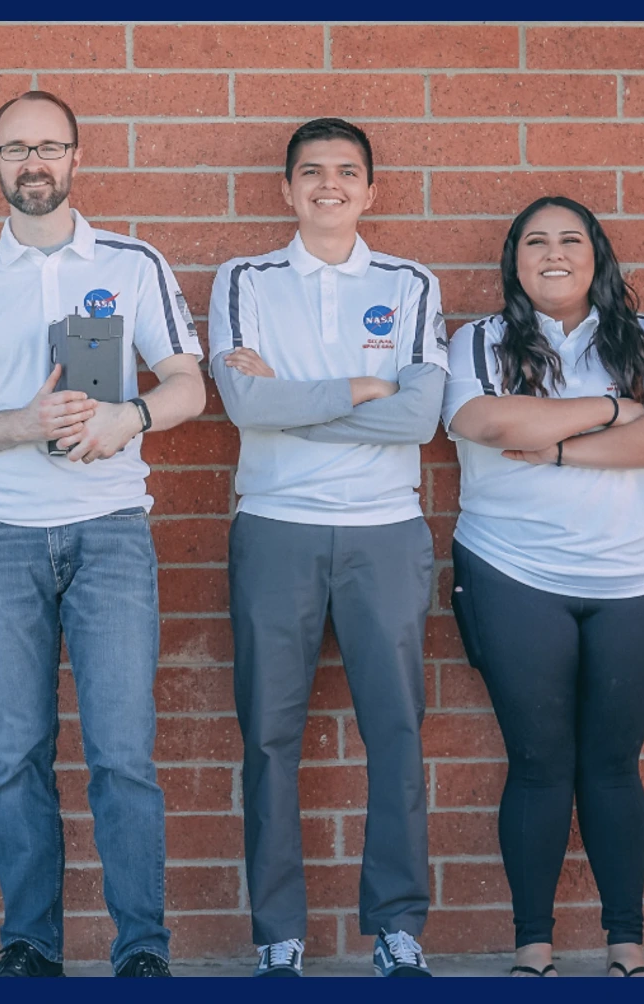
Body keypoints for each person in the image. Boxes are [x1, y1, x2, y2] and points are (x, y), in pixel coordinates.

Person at [0, 91, 207, 978]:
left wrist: (129, 417)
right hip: (4, 536)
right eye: (15, 149)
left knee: (123, 752)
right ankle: (31, 947)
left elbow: (190, 386)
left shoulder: (132, 263)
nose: (33, 163)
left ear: (78, 158)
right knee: (18, 753)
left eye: (49, 147)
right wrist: (26, 422)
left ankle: (142, 951)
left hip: (111, 531)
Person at [441, 196, 644, 978]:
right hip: (513, 571)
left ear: (597, 255)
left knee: (614, 763)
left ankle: (626, 944)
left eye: (570, 239)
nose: (553, 253)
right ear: (514, 259)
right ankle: (534, 947)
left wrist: (561, 450)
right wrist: (611, 410)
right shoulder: (481, 341)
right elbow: (489, 424)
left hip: (638, 574)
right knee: (537, 763)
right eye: (535, 241)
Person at [206, 118, 446, 979]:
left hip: (386, 529)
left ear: (371, 190)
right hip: (276, 524)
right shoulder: (244, 279)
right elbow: (245, 405)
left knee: (398, 732)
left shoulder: (410, 282)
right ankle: (279, 936)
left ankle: (397, 929)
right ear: (286, 189)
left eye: (347, 172)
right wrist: (358, 388)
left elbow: (419, 417)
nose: (329, 185)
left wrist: (299, 399)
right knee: (269, 736)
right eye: (311, 172)